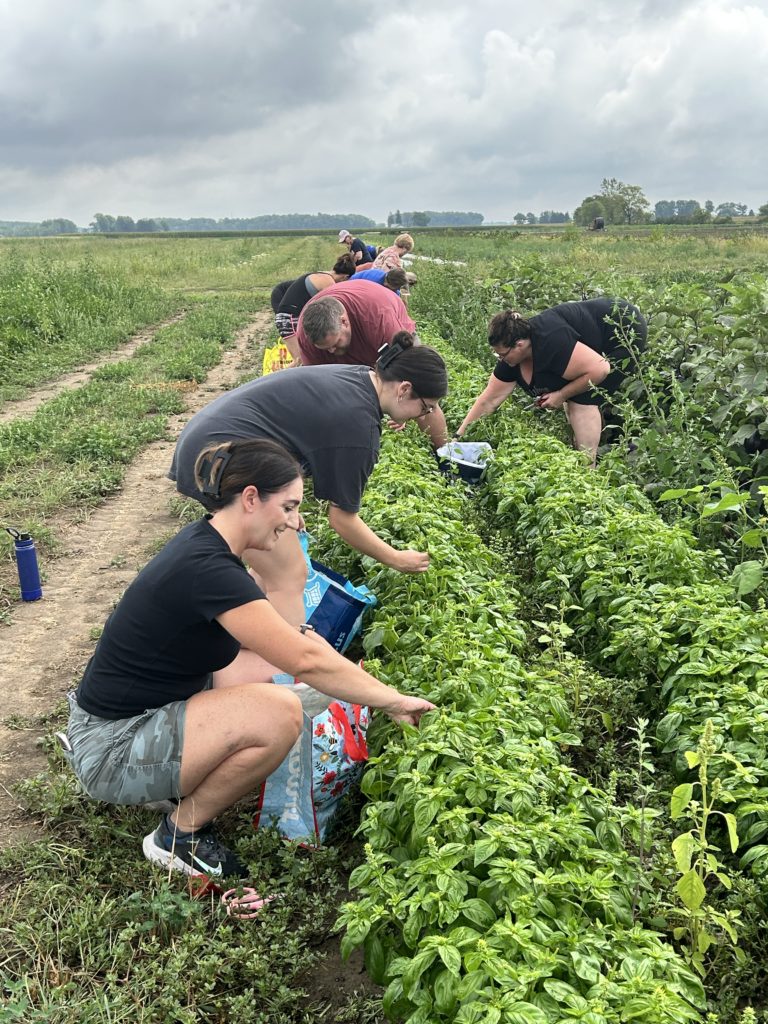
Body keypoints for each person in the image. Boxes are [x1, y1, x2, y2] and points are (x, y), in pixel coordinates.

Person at [64, 438, 436, 879]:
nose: (297, 523)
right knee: (281, 713)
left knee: (279, 676)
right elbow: (306, 661)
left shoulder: (207, 547)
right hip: (111, 748)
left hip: (132, 716)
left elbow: (284, 648)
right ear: (251, 498)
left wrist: (308, 651)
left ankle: (170, 778)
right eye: (290, 507)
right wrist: (392, 700)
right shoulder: (209, 570)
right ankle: (179, 835)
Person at [169, 335, 449, 626]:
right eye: (426, 407)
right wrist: (395, 558)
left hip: (212, 440)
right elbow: (342, 519)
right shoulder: (358, 428)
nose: (424, 415)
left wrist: (287, 507)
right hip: (220, 457)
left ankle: (246, 641)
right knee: (289, 574)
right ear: (404, 389)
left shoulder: (360, 378)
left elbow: (294, 428)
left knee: (273, 563)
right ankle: (285, 666)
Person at [456, 298, 647, 465]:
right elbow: (488, 401)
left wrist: (561, 395)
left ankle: (589, 469)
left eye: (502, 354)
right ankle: (590, 443)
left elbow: (600, 368)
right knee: (574, 392)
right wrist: (457, 440)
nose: (500, 359)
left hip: (622, 329)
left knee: (581, 400)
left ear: (519, 345)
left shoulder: (551, 341)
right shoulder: (510, 360)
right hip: (597, 336)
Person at [295, 279, 446, 445]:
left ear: (344, 321)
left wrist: (403, 410)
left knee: (424, 395)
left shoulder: (379, 320)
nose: (331, 351)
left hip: (387, 334)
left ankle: (444, 456)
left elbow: (400, 377)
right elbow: (321, 388)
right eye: (325, 348)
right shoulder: (305, 335)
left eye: (336, 343)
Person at [270, 253, 356, 361]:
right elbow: (333, 309)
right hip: (289, 319)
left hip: (287, 316)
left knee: (306, 358)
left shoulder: (321, 274)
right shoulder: (328, 282)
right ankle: (278, 377)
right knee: (301, 360)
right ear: (346, 277)